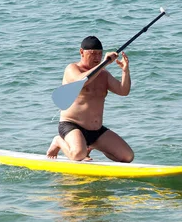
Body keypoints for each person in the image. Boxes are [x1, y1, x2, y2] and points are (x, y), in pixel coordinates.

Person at [46, 35, 134, 163]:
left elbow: (123, 91)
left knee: (127, 156)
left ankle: (91, 145)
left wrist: (125, 71)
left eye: (100, 54)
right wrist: (104, 63)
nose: (97, 58)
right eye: (93, 54)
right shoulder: (72, 69)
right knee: (78, 155)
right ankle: (58, 141)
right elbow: (81, 81)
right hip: (71, 125)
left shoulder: (104, 75)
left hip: (96, 131)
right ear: (81, 52)